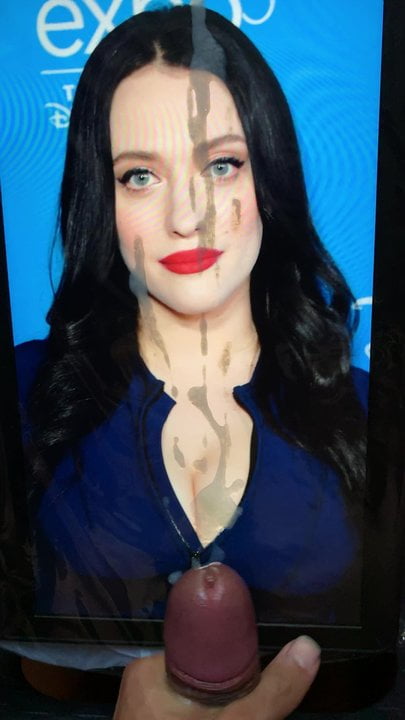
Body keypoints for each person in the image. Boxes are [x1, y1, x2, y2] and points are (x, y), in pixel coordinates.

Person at [15, 4, 367, 646]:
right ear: (103, 198)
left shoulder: (369, 409)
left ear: (269, 177)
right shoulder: (23, 390)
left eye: (221, 165)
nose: (185, 216)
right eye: (140, 176)